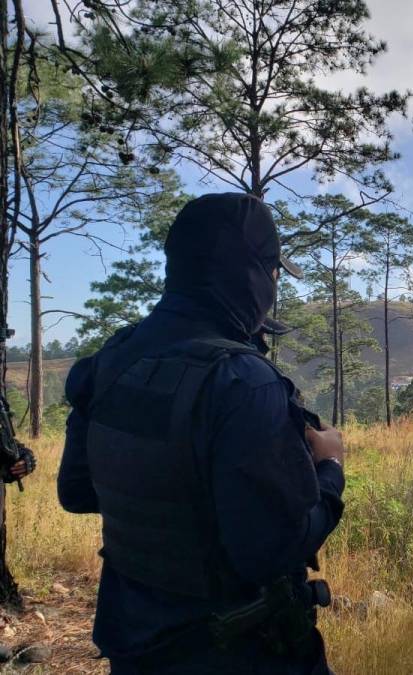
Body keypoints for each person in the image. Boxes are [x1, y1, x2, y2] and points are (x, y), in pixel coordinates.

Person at [58, 193, 345, 674]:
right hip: (238, 652)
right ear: (251, 273)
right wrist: (330, 470)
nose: (275, 285)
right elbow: (274, 549)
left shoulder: (112, 360)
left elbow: (77, 491)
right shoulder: (243, 381)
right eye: (273, 271)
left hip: (136, 645)